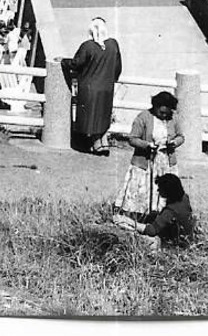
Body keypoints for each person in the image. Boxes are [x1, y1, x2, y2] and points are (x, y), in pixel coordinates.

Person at [115, 92, 186, 220]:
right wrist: (147, 145)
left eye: (167, 113)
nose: (164, 116)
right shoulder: (143, 117)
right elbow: (132, 139)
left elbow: (181, 136)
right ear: (155, 107)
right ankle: (139, 217)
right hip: (146, 161)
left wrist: (174, 143)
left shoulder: (174, 119)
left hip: (166, 161)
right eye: (161, 113)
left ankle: (162, 216)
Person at [61, 17, 122, 155]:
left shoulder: (88, 46)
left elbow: (76, 63)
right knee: (103, 114)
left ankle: (96, 145)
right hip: (107, 87)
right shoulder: (113, 44)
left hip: (90, 87)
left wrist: (64, 61)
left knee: (92, 115)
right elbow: (117, 67)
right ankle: (104, 142)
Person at [113, 174, 195, 247]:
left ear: (168, 191)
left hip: (176, 243)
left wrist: (128, 221)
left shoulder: (170, 211)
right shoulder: (184, 198)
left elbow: (151, 230)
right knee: (151, 217)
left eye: (160, 188)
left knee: (135, 232)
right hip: (185, 236)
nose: (158, 190)